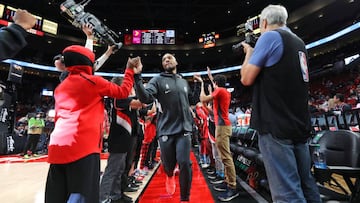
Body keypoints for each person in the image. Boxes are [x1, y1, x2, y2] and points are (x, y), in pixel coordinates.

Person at [240, 4, 322, 203]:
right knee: (307, 185)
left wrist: (249, 52)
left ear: (265, 22)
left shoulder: (269, 36)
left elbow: (246, 78)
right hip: (299, 123)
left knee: (286, 192)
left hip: (276, 125)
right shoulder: (299, 42)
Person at [44, 45, 142, 203]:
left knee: (56, 196)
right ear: (87, 62)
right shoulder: (94, 82)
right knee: (82, 196)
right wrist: (129, 70)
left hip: (56, 147)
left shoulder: (61, 87)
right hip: (83, 147)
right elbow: (123, 92)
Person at [133, 53, 194, 202]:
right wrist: (137, 77)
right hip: (166, 129)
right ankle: (169, 175)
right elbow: (145, 98)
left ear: (176, 61)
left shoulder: (183, 82)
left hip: (184, 130)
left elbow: (189, 102)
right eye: (164, 59)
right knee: (168, 165)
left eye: (170, 58)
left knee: (185, 162)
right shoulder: (157, 80)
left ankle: (185, 198)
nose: (166, 60)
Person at [193, 74, 240, 202]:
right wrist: (210, 76)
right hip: (222, 126)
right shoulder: (222, 91)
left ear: (215, 83)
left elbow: (203, 98)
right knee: (223, 155)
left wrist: (202, 83)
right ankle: (227, 181)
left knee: (225, 156)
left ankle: (232, 186)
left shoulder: (219, 90)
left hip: (223, 127)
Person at [100, 77, 144, 203]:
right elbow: (141, 103)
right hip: (118, 139)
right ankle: (102, 198)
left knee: (120, 169)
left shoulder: (123, 98)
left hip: (125, 139)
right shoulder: (119, 98)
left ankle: (116, 195)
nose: (129, 88)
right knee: (112, 171)